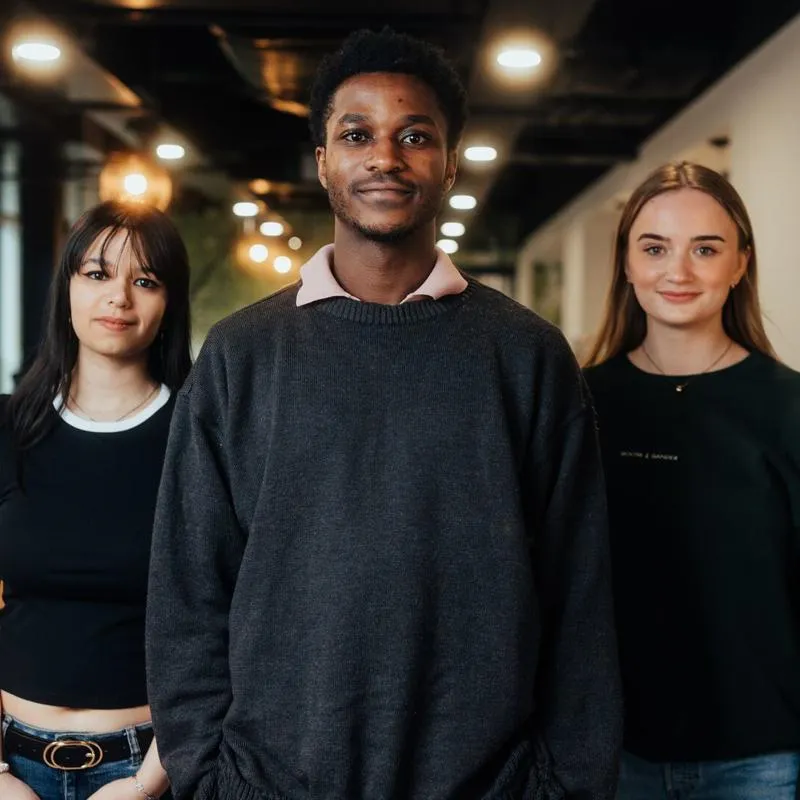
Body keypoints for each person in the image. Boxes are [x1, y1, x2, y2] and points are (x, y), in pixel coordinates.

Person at [147, 27, 621, 800]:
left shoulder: (527, 355)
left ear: (450, 162)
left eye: (415, 136)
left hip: (492, 786)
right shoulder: (242, 355)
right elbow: (187, 591)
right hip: (269, 785)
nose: (386, 157)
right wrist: (211, 776)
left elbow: (580, 596)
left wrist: (561, 783)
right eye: (357, 134)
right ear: (324, 160)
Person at [583, 161, 800, 798]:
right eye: (655, 248)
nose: (678, 272)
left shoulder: (788, 408)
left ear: (740, 265)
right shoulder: (580, 405)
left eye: (705, 249)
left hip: (762, 760)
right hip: (612, 753)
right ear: (625, 262)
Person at [0, 200, 192, 800]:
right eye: (97, 274)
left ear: (168, 303)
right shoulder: (8, 429)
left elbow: (229, 623)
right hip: (10, 764)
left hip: (147, 767)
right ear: (67, 287)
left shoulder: (199, 437)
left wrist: (145, 784)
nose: (120, 299)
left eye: (145, 281)